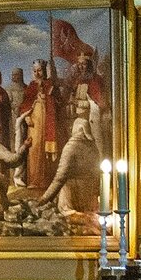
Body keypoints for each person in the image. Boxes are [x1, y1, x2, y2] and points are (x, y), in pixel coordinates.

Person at [41, 84, 103, 219]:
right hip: (90, 195)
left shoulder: (71, 147)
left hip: (75, 196)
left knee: (64, 185)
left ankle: (74, 214)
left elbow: (59, 178)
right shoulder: (93, 147)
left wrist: (44, 199)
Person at [23, 58, 61, 192]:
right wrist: (27, 116)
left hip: (48, 121)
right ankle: (34, 180)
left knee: (46, 150)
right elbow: (25, 103)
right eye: (35, 71)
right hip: (35, 121)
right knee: (34, 148)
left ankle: (46, 181)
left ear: (44, 71)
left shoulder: (50, 84)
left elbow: (59, 102)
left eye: (39, 70)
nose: (37, 73)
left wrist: (52, 96)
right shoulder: (31, 86)